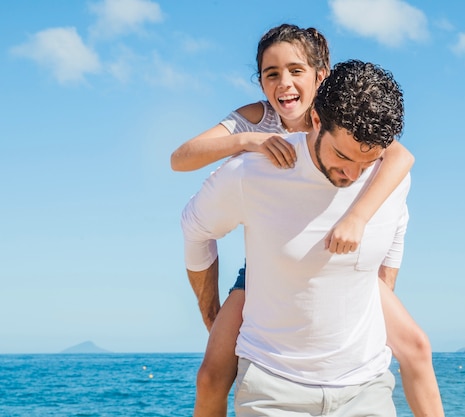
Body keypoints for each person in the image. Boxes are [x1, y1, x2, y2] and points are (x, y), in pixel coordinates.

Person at [173, 24, 444, 417]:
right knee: (212, 375)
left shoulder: (354, 118)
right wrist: (248, 141)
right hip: (266, 267)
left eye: (296, 70)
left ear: (322, 77)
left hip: (347, 264)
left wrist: (358, 218)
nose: (285, 83)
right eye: (272, 73)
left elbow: (401, 159)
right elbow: (181, 159)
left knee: (417, 346)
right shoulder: (258, 121)